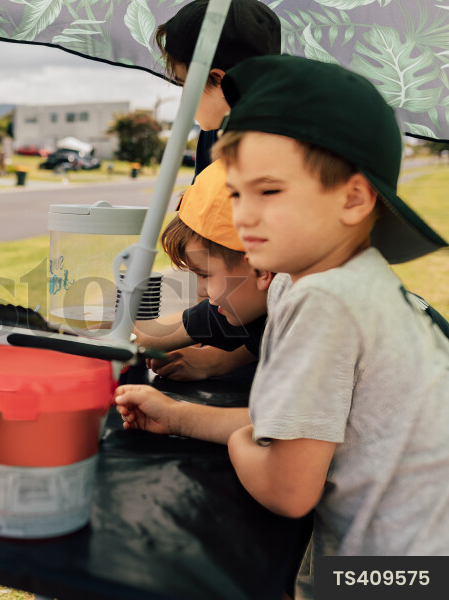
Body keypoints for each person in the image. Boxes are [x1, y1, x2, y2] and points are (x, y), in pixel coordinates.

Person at [120, 55, 449, 598]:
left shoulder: (321, 300)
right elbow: (295, 429)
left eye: (269, 192)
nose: (246, 217)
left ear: (351, 199)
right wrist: (180, 416)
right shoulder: (331, 281)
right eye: (241, 192)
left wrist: (243, 442)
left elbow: (287, 486)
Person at [132, 160, 273, 382]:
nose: (201, 290)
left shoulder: (309, 323)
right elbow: (144, 336)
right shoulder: (243, 303)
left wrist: (177, 415)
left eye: (205, 275)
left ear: (260, 268)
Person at [154, 0, 280, 177]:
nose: (183, 100)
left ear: (221, 80)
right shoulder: (214, 131)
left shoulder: (279, 150)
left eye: (184, 84)